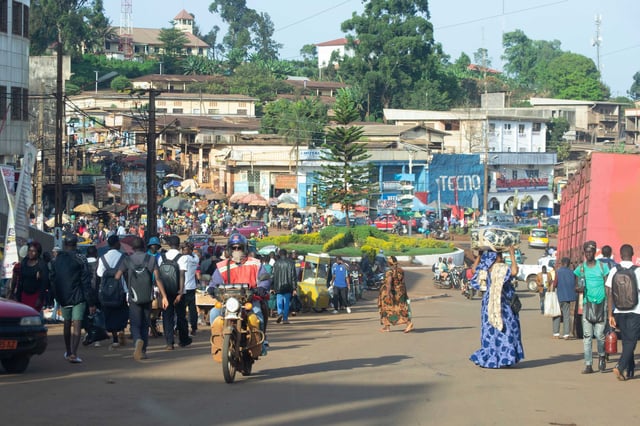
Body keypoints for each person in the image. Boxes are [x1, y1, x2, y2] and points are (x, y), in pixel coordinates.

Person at [207, 233, 270, 353]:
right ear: (229, 249)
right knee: (214, 314)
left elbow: (264, 278)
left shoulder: (255, 263)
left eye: (239, 247)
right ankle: (218, 345)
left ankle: (260, 344)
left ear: (245, 248)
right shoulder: (222, 266)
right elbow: (214, 282)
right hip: (228, 302)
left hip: (250, 300)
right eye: (234, 248)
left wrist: (261, 287)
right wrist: (211, 288)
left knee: (258, 317)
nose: (237, 251)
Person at [469, 246, 524, 368]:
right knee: (506, 330)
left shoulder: (485, 269)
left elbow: (473, 270)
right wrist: (512, 255)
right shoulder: (500, 269)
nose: (502, 258)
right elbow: (514, 271)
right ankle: (505, 358)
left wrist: (479, 255)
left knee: (490, 331)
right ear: (496, 258)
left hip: (488, 305)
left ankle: (490, 357)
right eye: (500, 256)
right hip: (502, 305)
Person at [50, 235, 97, 364]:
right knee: (77, 324)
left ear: (65, 244)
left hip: (63, 297)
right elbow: (86, 282)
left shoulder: (57, 259)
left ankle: (68, 351)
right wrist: (91, 302)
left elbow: (53, 279)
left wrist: (57, 296)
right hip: (78, 297)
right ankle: (74, 354)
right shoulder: (81, 259)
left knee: (66, 323)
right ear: (76, 245)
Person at [124, 236, 163, 361]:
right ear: (144, 246)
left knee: (135, 323)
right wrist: (164, 296)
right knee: (145, 323)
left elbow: (118, 275)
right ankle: (144, 350)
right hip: (147, 295)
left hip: (133, 296)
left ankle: (137, 340)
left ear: (132, 248)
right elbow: (157, 278)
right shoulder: (151, 259)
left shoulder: (127, 259)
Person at [574, 240, 610, 374]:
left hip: (602, 304)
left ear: (595, 252)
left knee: (599, 335)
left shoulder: (602, 267)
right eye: (586, 252)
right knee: (587, 336)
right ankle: (588, 364)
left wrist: (609, 307)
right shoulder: (581, 269)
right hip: (587, 305)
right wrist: (579, 288)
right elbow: (576, 286)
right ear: (584, 253)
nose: (588, 254)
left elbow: (608, 287)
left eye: (591, 251)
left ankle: (601, 355)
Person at [606, 244, 640, 381]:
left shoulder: (614, 270)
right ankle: (620, 367)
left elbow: (608, 292)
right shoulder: (637, 271)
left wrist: (610, 314)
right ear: (632, 255)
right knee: (631, 341)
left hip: (619, 310)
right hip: (635, 311)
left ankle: (630, 369)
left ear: (620, 255)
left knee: (627, 340)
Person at [158, 235, 191, 350]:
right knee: (181, 316)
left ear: (168, 245)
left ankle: (169, 342)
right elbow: (182, 275)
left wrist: (162, 295)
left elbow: (159, 277)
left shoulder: (161, 257)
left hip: (165, 292)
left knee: (167, 316)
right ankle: (183, 339)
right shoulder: (182, 258)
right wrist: (180, 293)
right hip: (178, 291)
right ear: (178, 245)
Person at [97, 235, 129, 350]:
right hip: (121, 290)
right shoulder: (123, 257)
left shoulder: (102, 259)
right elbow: (126, 274)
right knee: (121, 313)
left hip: (106, 291)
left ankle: (115, 338)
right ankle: (121, 332)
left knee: (110, 314)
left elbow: (100, 275)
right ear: (116, 244)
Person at [378, 256, 414, 333]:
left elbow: (389, 283)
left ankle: (408, 323)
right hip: (400, 292)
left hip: (392, 293)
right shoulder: (400, 270)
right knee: (401, 308)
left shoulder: (389, 272)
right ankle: (386, 326)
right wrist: (404, 293)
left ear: (389, 263)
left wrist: (388, 293)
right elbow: (403, 282)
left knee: (389, 309)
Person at [14, 241, 49, 312]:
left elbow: (44, 283)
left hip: (35, 296)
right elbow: (21, 279)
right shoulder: (24, 262)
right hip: (23, 295)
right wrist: (17, 295)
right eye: (29, 250)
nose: (31, 252)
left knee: (32, 317)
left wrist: (40, 298)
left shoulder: (42, 265)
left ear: (38, 253)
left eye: (33, 251)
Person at [551, 257, 578, 339]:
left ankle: (556, 333)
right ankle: (566, 334)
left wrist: (552, 292)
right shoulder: (572, 273)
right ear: (569, 264)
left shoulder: (558, 272)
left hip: (559, 296)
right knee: (566, 315)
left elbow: (555, 284)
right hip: (568, 297)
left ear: (562, 263)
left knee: (556, 314)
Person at [271, 248, 297, 325]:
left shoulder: (276, 263)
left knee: (279, 301)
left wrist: (272, 287)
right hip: (288, 286)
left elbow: (272, 276)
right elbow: (293, 276)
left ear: (279, 254)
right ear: (286, 254)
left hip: (278, 286)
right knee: (286, 303)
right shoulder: (291, 263)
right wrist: (294, 288)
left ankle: (280, 313)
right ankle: (285, 319)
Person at [181, 242, 200, 336]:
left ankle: (181, 328)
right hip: (192, 287)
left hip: (183, 287)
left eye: (184, 249)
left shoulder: (184, 258)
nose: (183, 251)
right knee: (192, 309)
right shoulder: (195, 258)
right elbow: (194, 255)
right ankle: (194, 328)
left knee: (182, 310)